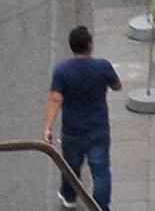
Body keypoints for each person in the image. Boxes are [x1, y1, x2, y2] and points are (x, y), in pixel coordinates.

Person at [46, 25, 123, 210]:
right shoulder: (102, 66)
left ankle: (69, 196)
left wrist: (48, 127)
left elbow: (55, 100)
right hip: (98, 128)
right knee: (101, 170)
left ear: (72, 46)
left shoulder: (62, 71)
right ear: (89, 45)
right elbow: (117, 86)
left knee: (71, 166)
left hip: (72, 130)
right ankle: (100, 206)